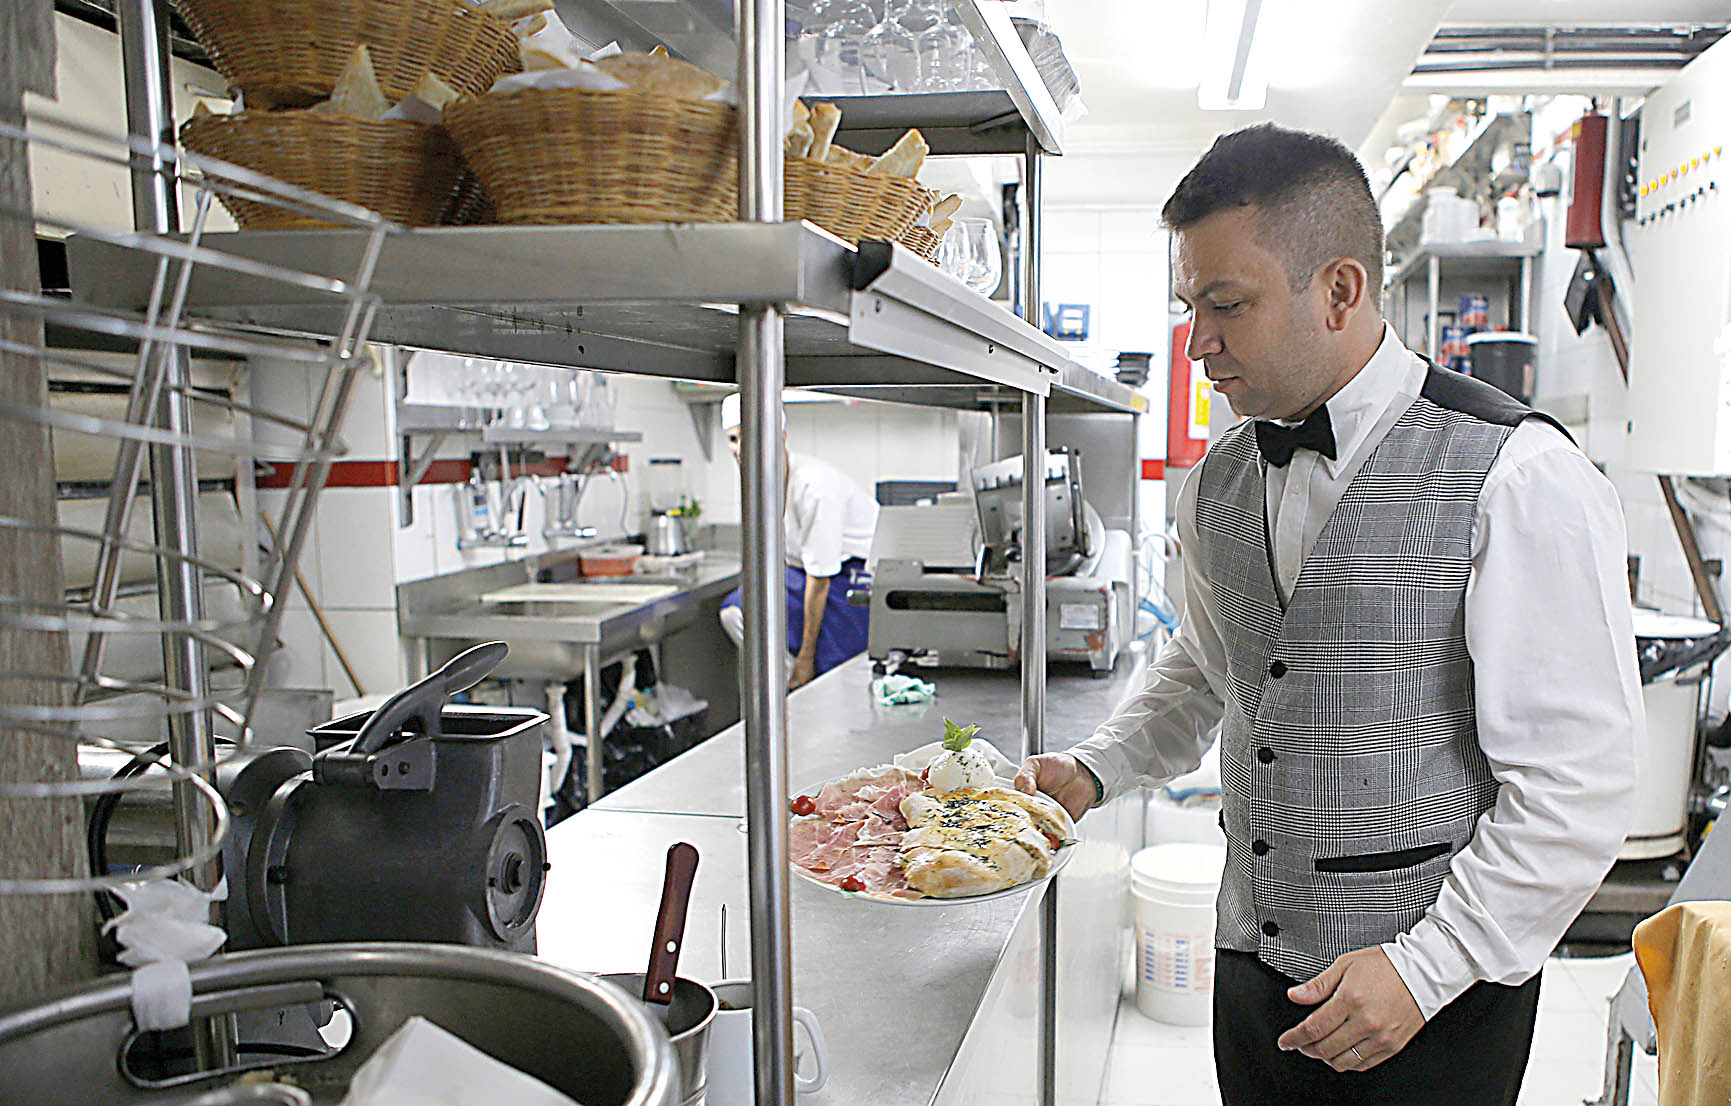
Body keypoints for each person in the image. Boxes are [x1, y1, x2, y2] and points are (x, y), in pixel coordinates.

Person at [1015, 123, 1641, 1106]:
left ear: (1341, 290)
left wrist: (1428, 966)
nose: (1198, 344)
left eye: (1227, 305)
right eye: (1191, 306)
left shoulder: (1521, 477)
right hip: (1252, 977)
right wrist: (1098, 766)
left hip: (1431, 997)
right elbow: (1214, 662)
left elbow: (1579, 787)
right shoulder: (1216, 475)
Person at [717, 393, 878, 689]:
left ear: (781, 438)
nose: (740, 449)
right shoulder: (762, 483)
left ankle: (804, 685)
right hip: (804, 574)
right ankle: (786, 693)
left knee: (831, 676)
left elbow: (821, 580)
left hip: (853, 577)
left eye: (751, 437)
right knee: (738, 610)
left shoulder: (815, 488)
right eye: (734, 439)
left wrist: (805, 657)